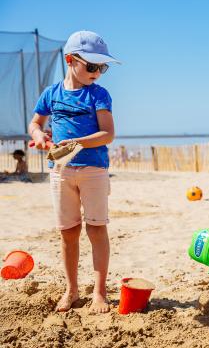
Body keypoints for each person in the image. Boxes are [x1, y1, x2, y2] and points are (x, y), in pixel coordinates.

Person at [28, 30, 120, 313]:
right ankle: (72, 289)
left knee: (96, 228)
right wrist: (41, 136)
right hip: (61, 171)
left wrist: (79, 142)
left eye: (101, 67)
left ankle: (100, 292)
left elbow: (107, 134)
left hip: (93, 169)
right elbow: (35, 124)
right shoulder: (51, 94)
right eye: (91, 66)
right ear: (70, 60)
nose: (97, 73)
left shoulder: (99, 94)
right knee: (68, 232)